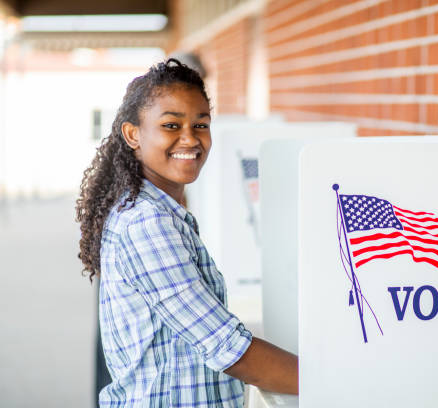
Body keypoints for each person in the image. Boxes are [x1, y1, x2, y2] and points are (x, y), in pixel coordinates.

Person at [76, 58, 298, 407]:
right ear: (133, 134)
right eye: (170, 125)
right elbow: (228, 348)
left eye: (201, 124)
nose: (190, 138)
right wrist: (327, 377)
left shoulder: (161, 210)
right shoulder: (147, 223)